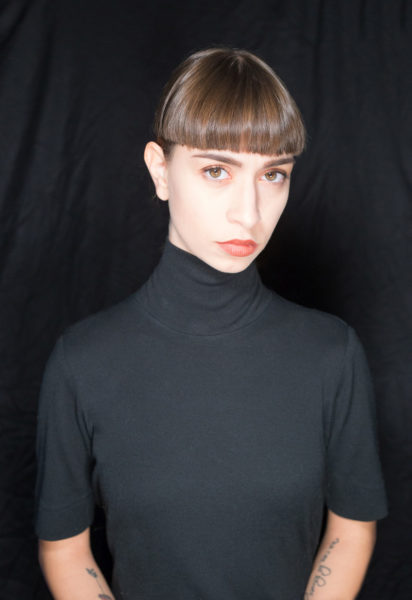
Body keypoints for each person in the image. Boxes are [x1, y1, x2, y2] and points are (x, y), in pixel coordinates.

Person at [35, 48, 387, 600]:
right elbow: (64, 549)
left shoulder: (331, 353)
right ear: (160, 170)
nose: (249, 212)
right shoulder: (81, 362)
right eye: (216, 170)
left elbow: (352, 527)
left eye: (273, 174)